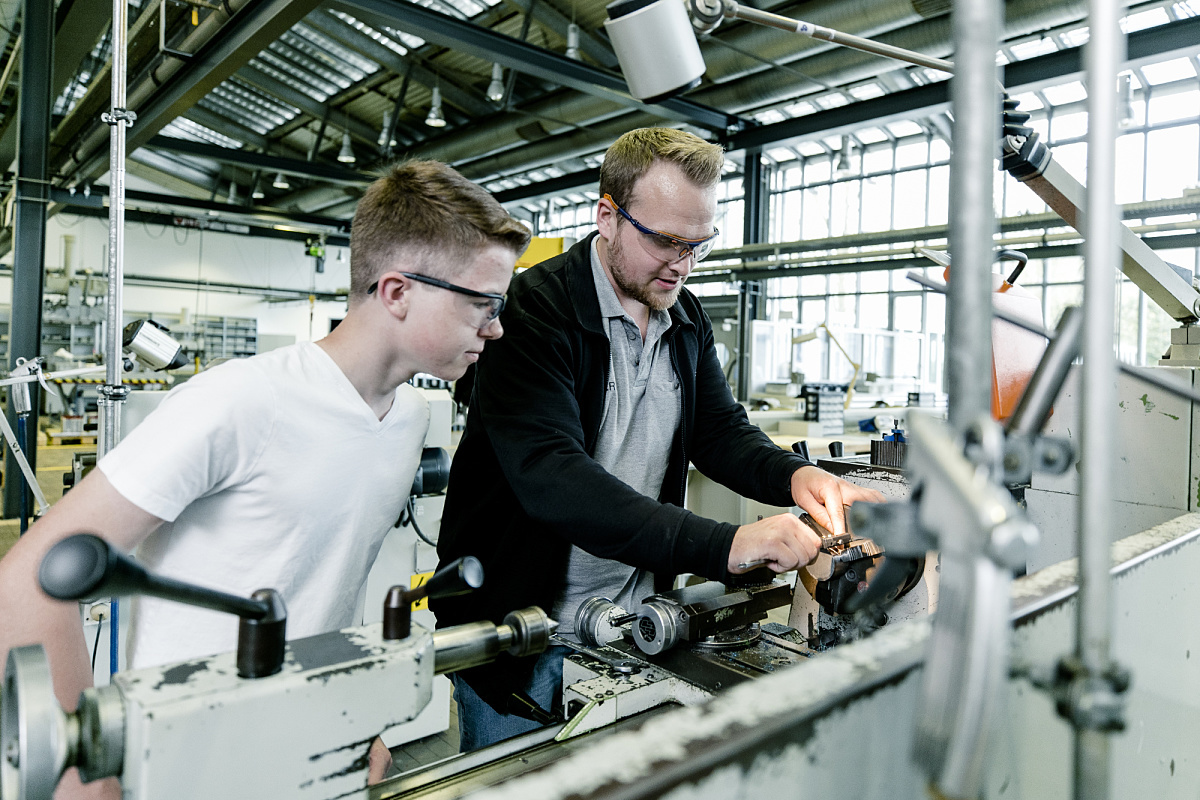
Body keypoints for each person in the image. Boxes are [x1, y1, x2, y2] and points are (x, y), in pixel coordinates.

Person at [0, 160, 530, 797]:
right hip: (183, 766)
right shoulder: (239, 402)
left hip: (310, 752)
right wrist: (84, 773)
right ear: (396, 292)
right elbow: (31, 581)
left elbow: (331, 579)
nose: (495, 327)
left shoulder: (408, 418)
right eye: (483, 303)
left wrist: (355, 713)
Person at [432, 127, 885, 752]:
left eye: (699, 244)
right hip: (525, 638)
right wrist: (722, 544)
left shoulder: (685, 314)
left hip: (634, 630)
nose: (683, 262)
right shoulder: (534, 312)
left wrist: (793, 476)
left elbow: (719, 431)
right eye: (667, 241)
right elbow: (554, 476)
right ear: (607, 216)